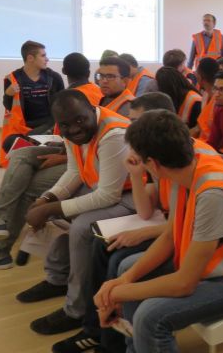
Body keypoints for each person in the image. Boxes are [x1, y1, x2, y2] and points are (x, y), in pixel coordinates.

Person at [94, 109, 223, 353]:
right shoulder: (187, 165)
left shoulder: (213, 194)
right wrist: (123, 282)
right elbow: (170, 235)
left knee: (150, 317)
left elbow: (184, 284)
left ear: (153, 164)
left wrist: (116, 294)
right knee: (127, 269)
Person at [0, 53, 103, 269]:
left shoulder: (91, 100)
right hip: (66, 147)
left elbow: (87, 144)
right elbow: (70, 135)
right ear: (90, 72)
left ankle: (0, 251)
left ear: (65, 72)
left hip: (81, 161)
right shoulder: (88, 95)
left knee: (26, 182)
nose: (103, 80)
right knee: (19, 153)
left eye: (109, 76)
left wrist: (58, 155)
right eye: (101, 75)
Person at [51, 91, 179, 353]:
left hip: (183, 238)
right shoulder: (155, 158)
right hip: (167, 227)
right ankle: (96, 327)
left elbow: (187, 226)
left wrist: (145, 234)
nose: (128, 129)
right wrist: (137, 173)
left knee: (118, 260)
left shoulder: (181, 162)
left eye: (136, 123)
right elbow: (146, 211)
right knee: (104, 247)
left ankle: (105, 338)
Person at [13, 90, 134, 335]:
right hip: (104, 189)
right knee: (52, 212)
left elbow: (108, 195)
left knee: (82, 228)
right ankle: (57, 279)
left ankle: (76, 310)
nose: (74, 128)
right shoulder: (71, 131)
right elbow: (75, 171)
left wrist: (51, 207)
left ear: (92, 109)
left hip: (135, 198)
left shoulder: (114, 134)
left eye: (80, 120)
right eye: (66, 124)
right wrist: (47, 199)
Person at [0, 40, 66, 167]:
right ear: (30, 58)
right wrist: (8, 94)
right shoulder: (13, 78)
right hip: (24, 125)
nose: (47, 59)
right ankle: (35, 159)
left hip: (49, 123)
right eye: (43, 56)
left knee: (30, 138)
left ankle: (33, 157)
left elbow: (63, 104)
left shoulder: (54, 77)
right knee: (8, 143)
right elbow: (9, 108)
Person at [192, 58, 220, 142]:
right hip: (203, 143)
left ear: (200, 77)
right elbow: (198, 128)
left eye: (196, 71)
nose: (194, 73)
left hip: (213, 149)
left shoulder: (219, 100)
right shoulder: (205, 95)